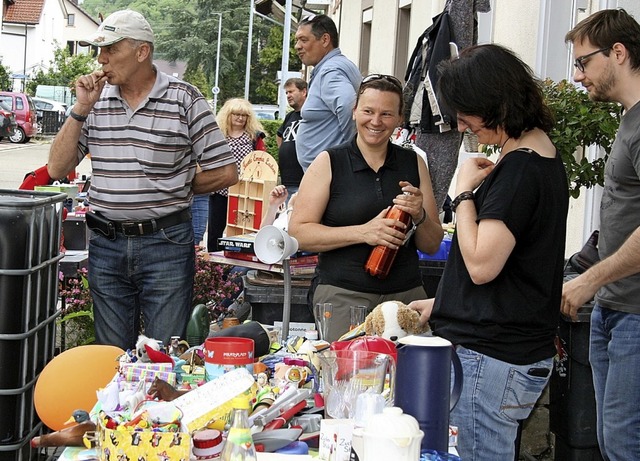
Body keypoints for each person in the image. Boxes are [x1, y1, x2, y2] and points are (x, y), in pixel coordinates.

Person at [408, 44, 569, 461]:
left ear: (495, 102)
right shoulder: (539, 158)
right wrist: (444, 300)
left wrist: (462, 193)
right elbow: (516, 268)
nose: (462, 125)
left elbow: (481, 265)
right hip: (505, 354)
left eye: (465, 113)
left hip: (491, 359)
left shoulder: (520, 169)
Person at [46, 10, 237, 351]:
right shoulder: (95, 101)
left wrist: (173, 185)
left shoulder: (185, 98)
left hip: (165, 242)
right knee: (111, 355)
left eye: (111, 50)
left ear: (141, 51)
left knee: (162, 355)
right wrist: (79, 109)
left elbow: (226, 171)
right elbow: (57, 168)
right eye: (99, 50)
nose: (101, 59)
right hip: (106, 243)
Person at [288, 74, 443, 342]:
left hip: (406, 298)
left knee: (408, 379)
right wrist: (364, 232)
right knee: (349, 379)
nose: (376, 121)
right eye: (368, 111)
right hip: (343, 297)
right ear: (354, 112)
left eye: (386, 114)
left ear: (399, 119)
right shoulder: (329, 162)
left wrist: (420, 215)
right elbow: (299, 233)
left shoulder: (414, 162)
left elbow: (431, 244)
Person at [562, 9, 640, 461]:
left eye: (584, 62)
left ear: (618, 53)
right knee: (611, 442)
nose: (577, 76)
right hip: (613, 308)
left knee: (625, 444)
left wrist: (591, 279)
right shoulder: (629, 118)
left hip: (634, 311)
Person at [294, 14, 362, 171]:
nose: (297, 46)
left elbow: (348, 105)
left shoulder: (330, 70)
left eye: (304, 40)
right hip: (329, 174)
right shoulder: (339, 65)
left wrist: (351, 148)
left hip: (330, 176)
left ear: (325, 40)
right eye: (297, 40)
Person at [207, 98, 266, 252]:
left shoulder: (254, 137)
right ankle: (213, 265)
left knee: (242, 230)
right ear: (228, 115)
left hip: (245, 191)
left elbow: (263, 162)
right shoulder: (218, 135)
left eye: (244, 115)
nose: (240, 118)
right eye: (236, 114)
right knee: (215, 230)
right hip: (220, 189)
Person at [276, 78, 307, 198]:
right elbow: (279, 135)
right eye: (286, 93)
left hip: (302, 182)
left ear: (304, 92)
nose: (288, 95)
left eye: (291, 91)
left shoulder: (311, 115)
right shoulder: (290, 116)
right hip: (286, 182)